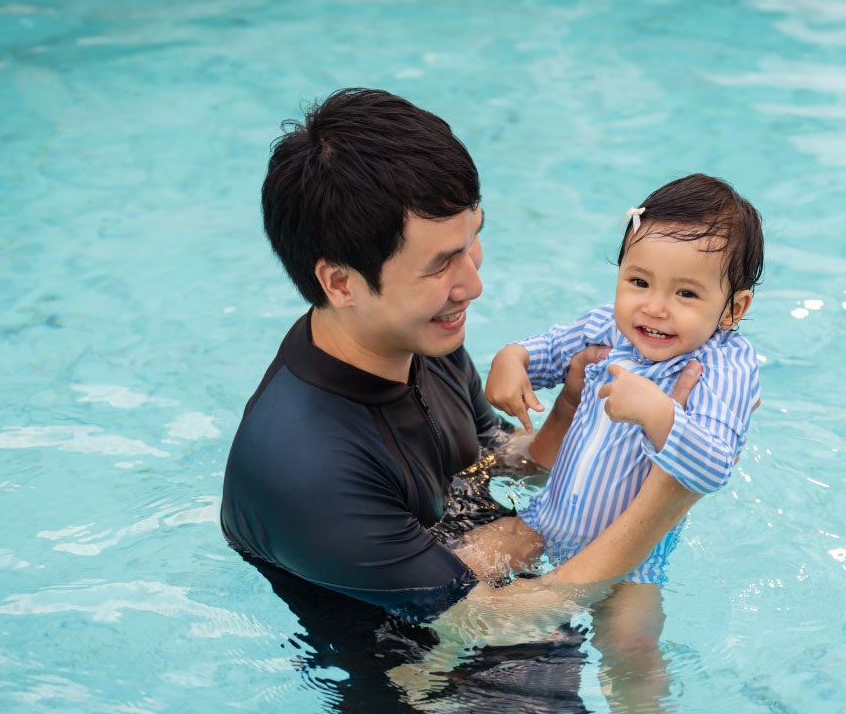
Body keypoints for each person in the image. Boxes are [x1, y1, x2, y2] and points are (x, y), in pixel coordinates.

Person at [219, 87, 705, 711]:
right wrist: (672, 491)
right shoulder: (305, 466)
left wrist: (575, 412)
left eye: (472, 240)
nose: (474, 283)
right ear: (340, 283)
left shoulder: (417, 336)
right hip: (427, 677)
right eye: (441, 264)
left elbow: (494, 459)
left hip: (519, 602)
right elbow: (488, 622)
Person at [459, 173, 764, 709]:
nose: (654, 307)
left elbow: (714, 465)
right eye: (639, 282)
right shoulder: (610, 326)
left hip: (632, 563)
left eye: (686, 293)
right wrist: (514, 358)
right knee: (458, 575)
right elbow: (549, 349)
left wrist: (658, 412)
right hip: (546, 519)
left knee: (632, 647)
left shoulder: (727, 366)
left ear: (733, 309)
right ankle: (422, 672)